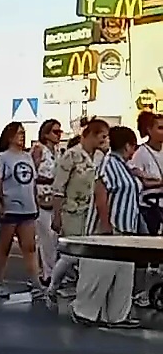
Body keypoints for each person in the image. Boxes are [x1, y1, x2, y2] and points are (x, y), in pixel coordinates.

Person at [72, 126, 144, 328]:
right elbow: (100, 193)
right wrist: (105, 224)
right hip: (111, 229)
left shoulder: (124, 167)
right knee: (98, 273)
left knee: (123, 276)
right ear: (128, 145)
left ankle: (117, 315)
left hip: (127, 230)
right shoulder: (109, 164)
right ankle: (84, 311)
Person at [47, 119, 110, 300]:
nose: (104, 140)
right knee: (73, 253)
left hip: (92, 213)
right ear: (90, 134)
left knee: (89, 254)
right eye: (102, 136)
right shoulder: (71, 156)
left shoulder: (99, 158)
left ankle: (83, 291)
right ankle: (53, 285)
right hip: (72, 211)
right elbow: (58, 189)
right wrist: (56, 216)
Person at [0, 122, 44, 300]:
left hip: (28, 208)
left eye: (23, 133)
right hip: (10, 206)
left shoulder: (27, 157)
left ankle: (35, 283)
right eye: (19, 133)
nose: (22, 136)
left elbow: (32, 182)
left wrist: (35, 202)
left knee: (29, 247)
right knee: (4, 247)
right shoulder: (2, 157)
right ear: (9, 136)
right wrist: (1, 204)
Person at [128, 111, 163, 308]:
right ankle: (139, 291)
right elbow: (136, 179)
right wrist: (156, 183)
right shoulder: (141, 154)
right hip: (148, 207)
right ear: (149, 130)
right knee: (145, 248)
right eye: (159, 127)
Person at [30, 119, 63, 287]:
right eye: (55, 132)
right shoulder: (39, 149)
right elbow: (32, 173)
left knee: (54, 237)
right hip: (41, 195)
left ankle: (51, 271)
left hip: (53, 196)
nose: (59, 135)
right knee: (45, 238)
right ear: (46, 134)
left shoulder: (56, 151)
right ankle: (46, 273)